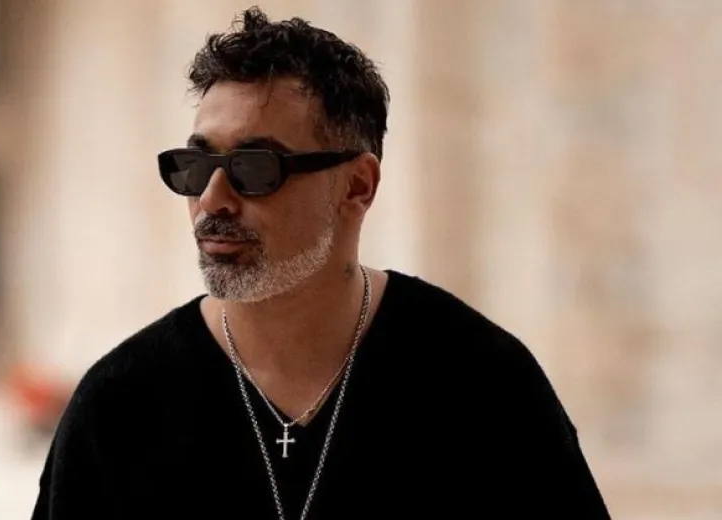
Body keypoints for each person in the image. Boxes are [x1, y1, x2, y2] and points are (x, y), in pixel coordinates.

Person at [32, 7, 610, 519]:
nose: (212, 199)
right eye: (195, 166)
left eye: (255, 168)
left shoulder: (482, 383)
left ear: (357, 186)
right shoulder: (119, 406)